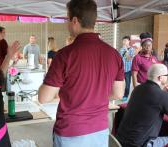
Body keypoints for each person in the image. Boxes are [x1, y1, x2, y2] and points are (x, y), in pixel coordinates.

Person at [38, 0, 125, 147]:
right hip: (100, 128)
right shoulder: (114, 54)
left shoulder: (65, 55)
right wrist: (94, 96)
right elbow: (118, 94)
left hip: (71, 131)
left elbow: (43, 97)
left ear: (74, 21)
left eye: (67, 19)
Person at [117, 64, 168, 147]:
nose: (167, 76)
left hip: (120, 139)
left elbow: (151, 101)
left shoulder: (137, 89)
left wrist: (163, 93)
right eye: (166, 75)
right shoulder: (163, 96)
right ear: (160, 77)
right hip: (141, 144)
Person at [119, 36, 135, 101]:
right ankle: (120, 94)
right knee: (120, 83)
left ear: (129, 41)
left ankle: (126, 96)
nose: (124, 42)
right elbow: (120, 59)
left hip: (128, 70)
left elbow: (129, 58)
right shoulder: (121, 49)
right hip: (122, 69)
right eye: (123, 41)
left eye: (126, 40)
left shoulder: (131, 49)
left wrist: (126, 50)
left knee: (128, 84)